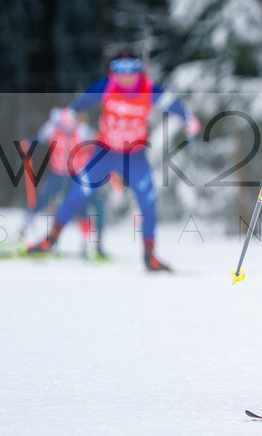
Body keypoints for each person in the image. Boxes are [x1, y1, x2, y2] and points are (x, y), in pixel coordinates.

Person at [27, 51, 201, 272]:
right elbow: (82, 102)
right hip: (105, 152)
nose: (126, 75)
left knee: (148, 203)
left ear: (139, 70)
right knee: (77, 193)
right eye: (120, 69)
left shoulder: (148, 89)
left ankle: (150, 256)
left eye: (131, 69)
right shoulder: (106, 86)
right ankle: (50, 241)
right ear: (113, 71)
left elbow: (172, 104)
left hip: (135, 156)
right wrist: (69, 114)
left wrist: (188, 118)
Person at [20, 108, 108, 259]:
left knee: (81, 206)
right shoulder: (52, 127)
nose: (65, 129)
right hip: (57, 173)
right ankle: (23, 231)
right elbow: (38, 138)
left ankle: (86, 244)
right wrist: (28, 143)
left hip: (76, 175)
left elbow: (98, 142)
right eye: (63, 126)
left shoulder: (82, 130)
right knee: (42, 199)